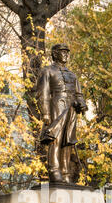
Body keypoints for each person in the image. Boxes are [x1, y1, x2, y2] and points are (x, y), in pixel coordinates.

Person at [36, 43, 87, 183]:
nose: (65, 54)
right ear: (54, 54)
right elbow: (43, 93)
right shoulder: (48, 71)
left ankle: (65, 172)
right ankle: (54, 170)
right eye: (62, 52)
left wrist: (81, 103)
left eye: (67, 52)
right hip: (56, 106)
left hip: (71, 108)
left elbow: (78, 93)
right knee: (55, 139)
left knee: (68, 141)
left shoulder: (72, 75)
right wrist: (45, 113)